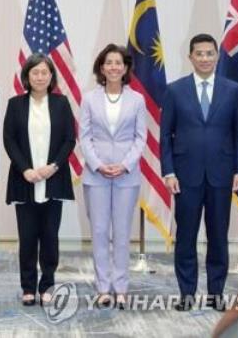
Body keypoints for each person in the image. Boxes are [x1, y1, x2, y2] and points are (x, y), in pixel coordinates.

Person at [161, 33, 238, 311]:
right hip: (185, 176)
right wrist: (169, 171)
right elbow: (165, 137)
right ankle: (187, 293)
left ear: (217, 56)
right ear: (190, 57)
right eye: (200, 53)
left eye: (210, 53)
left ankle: (216, 293)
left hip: (222, 174)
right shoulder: (175, 90)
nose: (205, 58)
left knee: (218, 236)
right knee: (186, 236)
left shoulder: (232, 90)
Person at [3, 53, 75, 306]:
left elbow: (69, 139)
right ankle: (28, 286)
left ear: (51, 76)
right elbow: (9, 140)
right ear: (27, 76)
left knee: (50, 236)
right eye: (35, 72)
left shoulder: (61, 103)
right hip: (25, 180)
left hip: (53, 179)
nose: (40, 77)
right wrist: (26, 169)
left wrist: (53, 167)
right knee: (27, 237)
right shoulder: (15, 104)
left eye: (45, 72)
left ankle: (47, 284)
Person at [79, 44, 146, 309]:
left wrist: (125, 164)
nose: (114, 67)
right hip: (96, 176)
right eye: (109, 62)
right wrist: (97, 164)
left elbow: (141, 137)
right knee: (99, 230)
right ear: (101, 67)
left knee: (121, 232)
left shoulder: (137, 100)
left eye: (119, 62)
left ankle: (121, 287)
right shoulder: (88, 99)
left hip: (126, 176)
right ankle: (102, 286)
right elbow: (84, 136)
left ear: (126, 67)